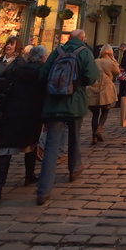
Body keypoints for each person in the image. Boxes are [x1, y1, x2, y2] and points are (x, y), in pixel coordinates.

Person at [36, 29, 99, 206]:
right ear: (83, 38)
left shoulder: (58, 51)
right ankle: (74, 168)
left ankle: (43, 190)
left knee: (51, 146)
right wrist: (76, 83)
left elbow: (43, 75)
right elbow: (92, 77)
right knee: (74, 137)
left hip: (54, 102)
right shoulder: (85, 52)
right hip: (75, 101)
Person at [0, 45, 48, 205]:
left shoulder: (19, 69)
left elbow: (3, 86)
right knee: (31, 145)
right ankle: (29, 175)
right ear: (42, 57)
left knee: (5, 150)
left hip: (12, 111)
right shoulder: (42, 71)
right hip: (32, 112)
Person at [87, 44, 121, 144]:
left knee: (95, 114)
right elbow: (118, 72)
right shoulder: (110, 62)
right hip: (105, 89)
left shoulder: (95, 61)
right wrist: (114, 60)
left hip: (94, 88)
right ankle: (99, 130)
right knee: (105, 111)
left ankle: (94, 136)